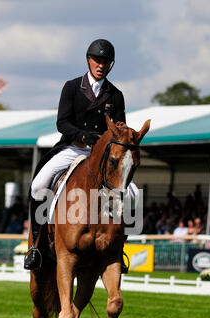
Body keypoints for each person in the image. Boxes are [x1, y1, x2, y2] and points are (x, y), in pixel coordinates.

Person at [25, 39, 138, 271]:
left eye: (105, 61)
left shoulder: (115, 95)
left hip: (103, 156)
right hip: (73, 148)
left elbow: (119, 126)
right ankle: (36, 246)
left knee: (133, 194)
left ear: (110, 65)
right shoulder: (72, 87)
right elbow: (62, 122)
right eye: (97, 60)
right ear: (88, 60)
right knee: (38, 184)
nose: (101, 64)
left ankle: (119, 247)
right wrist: (84, 137)